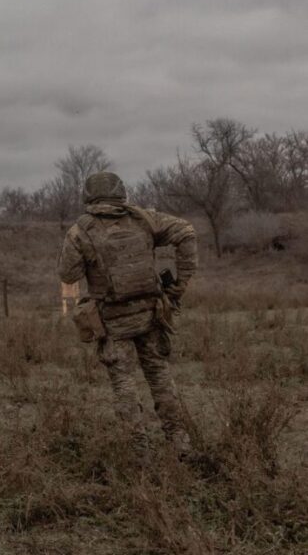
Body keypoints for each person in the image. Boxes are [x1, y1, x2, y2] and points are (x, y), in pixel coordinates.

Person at [59, 171, 197, 458]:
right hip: (151, 314)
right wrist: (180, 285)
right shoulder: (144, 218)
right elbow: (186, 233)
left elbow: (67, 273)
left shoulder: (80, 231)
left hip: (112, 321)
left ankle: (140, 452)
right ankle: (180, 442)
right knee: (160, 377)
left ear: (89, 195)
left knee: (124, 384)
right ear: (120, 192)